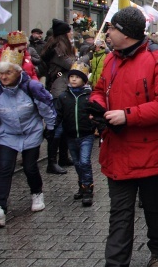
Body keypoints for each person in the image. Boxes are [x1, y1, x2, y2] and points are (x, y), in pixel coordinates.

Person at [88, 6, 158, 266]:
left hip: (150, 152)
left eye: (112, 28)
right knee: (119, 213)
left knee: (154, 209)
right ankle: (116, 262)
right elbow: (98, 89)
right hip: (117, 150)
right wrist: (97, 105)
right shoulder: (110, 59)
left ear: (126, 33)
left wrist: (127, 116)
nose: (107, 32)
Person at [0, 48, 56, 227]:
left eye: (8, 73)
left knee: (30, 167)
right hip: (7, 135)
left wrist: (51, 128)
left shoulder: (32, 87)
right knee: (5, 168)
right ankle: (0, 208)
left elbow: (46, 107)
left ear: (18, 71)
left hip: (31, 132)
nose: (4, 77)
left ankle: (37, 193)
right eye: (0, 73)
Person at [55, 62, 95, 207]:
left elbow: (95, 112)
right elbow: (58, 115)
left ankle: (88, 188)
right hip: (70, 135)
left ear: (84, 80)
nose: (73, 79)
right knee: (78, 163)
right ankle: (81, 184)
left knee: (85, 161)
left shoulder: (88, 96)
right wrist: (54, 130)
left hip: (86, 134)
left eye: (77, 77)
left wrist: (94, 123)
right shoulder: (64, 97)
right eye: (71, 76)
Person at [41, 18, 77, 174]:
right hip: (58, 89)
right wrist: (87, 55)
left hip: (63, 88)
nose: (72, 34)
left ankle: (63, 156)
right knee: (57, 128)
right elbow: (72, 65)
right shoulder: (58, 49)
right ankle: (51, 162)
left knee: (65, 126)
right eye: (70, 31)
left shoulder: (61, 47)